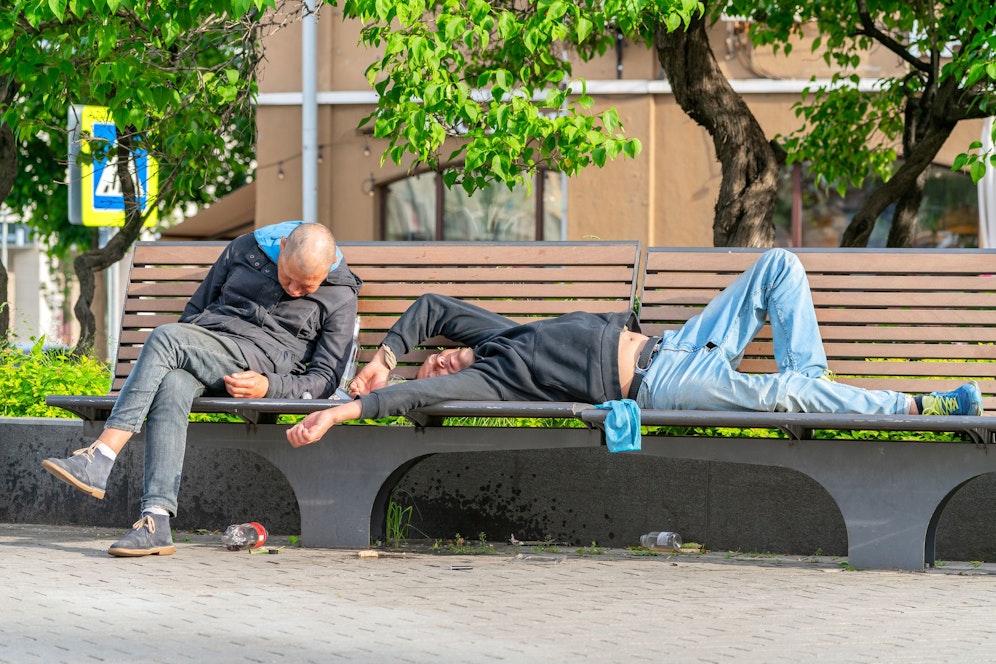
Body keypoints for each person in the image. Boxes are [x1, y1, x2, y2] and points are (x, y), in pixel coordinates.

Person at [285, 248, 982, 448]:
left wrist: (386, 352)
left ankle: (820, 393)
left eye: (434, 355)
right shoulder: (497, 377)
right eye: (434, 368)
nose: (434, 362)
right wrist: (350, 407)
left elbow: (434, 309)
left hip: (677, 346)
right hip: (661, 389)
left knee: (780, 266)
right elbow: (415, 396)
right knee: (781, 394)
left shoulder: (493, 337)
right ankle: (920, 406)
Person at [43, 221, 362, 557]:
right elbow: (197, 308)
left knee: (166, 337)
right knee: (173, 380)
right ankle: (157, 521)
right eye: (288, 279)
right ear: (281, 246)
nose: (295, 290)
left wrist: (271, 386)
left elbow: (325, 378)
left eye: (307, 287)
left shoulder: (340, 294)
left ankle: (102, 457)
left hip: (261, 363)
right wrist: (185, 352)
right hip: (211, 344)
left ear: (327, 272)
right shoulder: (245, 249)